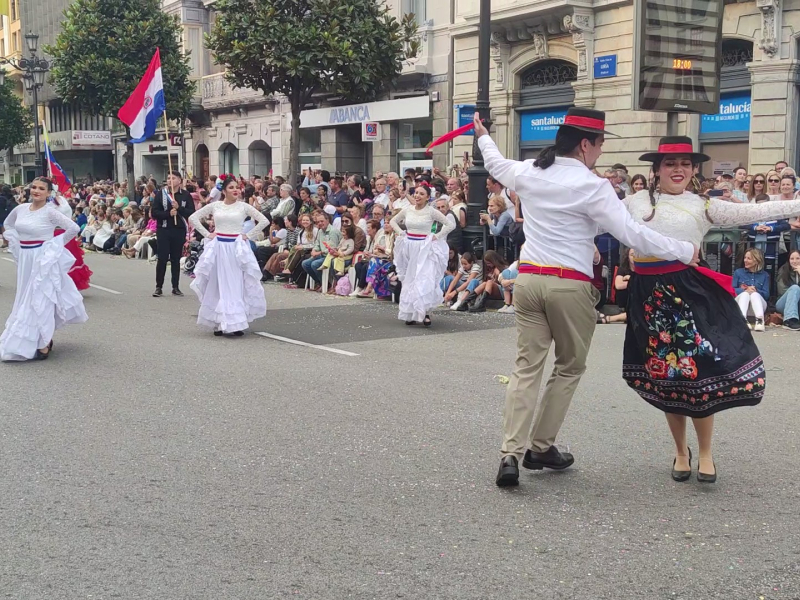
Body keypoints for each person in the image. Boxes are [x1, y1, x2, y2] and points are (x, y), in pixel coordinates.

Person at [473, 110, 700, 488]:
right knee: (568, 367)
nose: (601, 149)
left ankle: (510, 454)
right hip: (569, 284)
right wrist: (682, 248)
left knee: (527, 368)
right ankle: (541, 445)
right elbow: (632, 233)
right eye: (600, 143)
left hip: (528, 280)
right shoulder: (593, 186)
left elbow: (494, 162)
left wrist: (482, 134)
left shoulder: (530, 170)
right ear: (585, 145)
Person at [622, 136, 800, 484]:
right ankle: (679, 451)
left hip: (689, 297)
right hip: (649, 299)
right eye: (671, 163)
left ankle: (704, 452)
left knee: (698, 375)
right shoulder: (634, 201)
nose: (678, 169)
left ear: (693, 170)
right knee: (666, 376)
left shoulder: (703, 205)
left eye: (685, 164)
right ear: (656, 169)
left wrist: (795, 204)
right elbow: (591, 212)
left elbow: (756, 211)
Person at [0, 177, 88, 361]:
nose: (36, 191)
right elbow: (7, 224)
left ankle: (44, 340)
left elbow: (72, 228)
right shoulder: (20, 209)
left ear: (49, 193)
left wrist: (54, 245)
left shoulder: (50, 212)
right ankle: (32, 337)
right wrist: (13, 240)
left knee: (41, 297)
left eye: (41, 188)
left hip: (43, 258)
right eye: (34, 187)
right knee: (25, 296)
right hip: (25, 258)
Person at [188, 175, 269, 336]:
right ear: (224, 191)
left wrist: (248, 235)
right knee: (218, 282)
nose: (235, 190)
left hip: (236, 247)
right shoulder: (216, 205)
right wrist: (207, 234)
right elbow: (193, 218)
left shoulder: (243, 207)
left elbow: (264, 220)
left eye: (237, 187)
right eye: (231, 188)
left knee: (235, 281)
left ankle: (236, 322)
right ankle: (218, 322)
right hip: (218, 246)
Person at [390, 184, 454, 327]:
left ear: (427, 197)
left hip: (424, 248)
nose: (417, 196)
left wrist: (437, 236)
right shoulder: (408, 210)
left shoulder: (431, 211)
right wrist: (401, 233)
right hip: (410, 246)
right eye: (416, 193)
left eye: (421, 194)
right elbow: (392, 221)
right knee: (410, 279)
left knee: (423, 279)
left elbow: (449, 224)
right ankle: (410, 312)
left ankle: (424, 312)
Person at [152, 171, 195, 297]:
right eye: (168, 178)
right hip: (164, 230)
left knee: (176, 259)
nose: (170, 180)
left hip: (179, 230)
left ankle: (175, 286)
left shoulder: (186, 195)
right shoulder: (161, 194)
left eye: (173, 178)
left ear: (180, 181)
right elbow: (154, 213)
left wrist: (179, 208)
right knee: (162, 259)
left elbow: (191, 212)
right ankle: (158, 287)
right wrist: (168, 214)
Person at [49, 192, 93, 290]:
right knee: (56, 258)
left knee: (68, 257)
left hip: (63, 232)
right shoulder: (51, 202)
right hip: (54, 232)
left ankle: (68, 283)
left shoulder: (58, 201)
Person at [733, 248, 770, 331]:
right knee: (745, 294)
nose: (745, 260)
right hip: (741, 306)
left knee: (755, 294)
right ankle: (742, 320)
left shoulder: (764, 275)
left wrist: (755, 290)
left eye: (749, 258)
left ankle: (760, 320)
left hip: (757, 307)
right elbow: (731, 291)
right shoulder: (738, 272)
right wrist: (744, 290)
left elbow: (767, 295)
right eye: (745, 258)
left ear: (756, 260)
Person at [776, 249, 800, 330]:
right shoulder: (783, 270)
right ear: (788, 260)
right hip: (783, 303)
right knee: (795, 288)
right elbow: (781, 291)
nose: (795, 261)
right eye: (792, 259)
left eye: (797, 258)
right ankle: (789, 320)